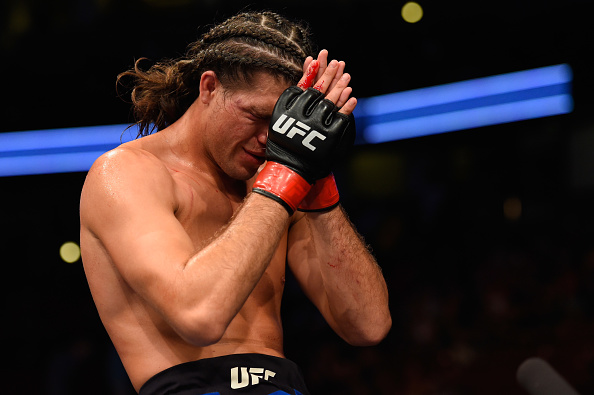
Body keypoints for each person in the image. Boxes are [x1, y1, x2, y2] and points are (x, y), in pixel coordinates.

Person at [80, 11, 391, 395]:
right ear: (209, 87)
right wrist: (285, 174)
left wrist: (317, 175)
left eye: (281, 127)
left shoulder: (273, 176)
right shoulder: (129, 174)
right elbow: (199, 318)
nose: (268, 140)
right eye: (256, 116)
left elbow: (368, 325)